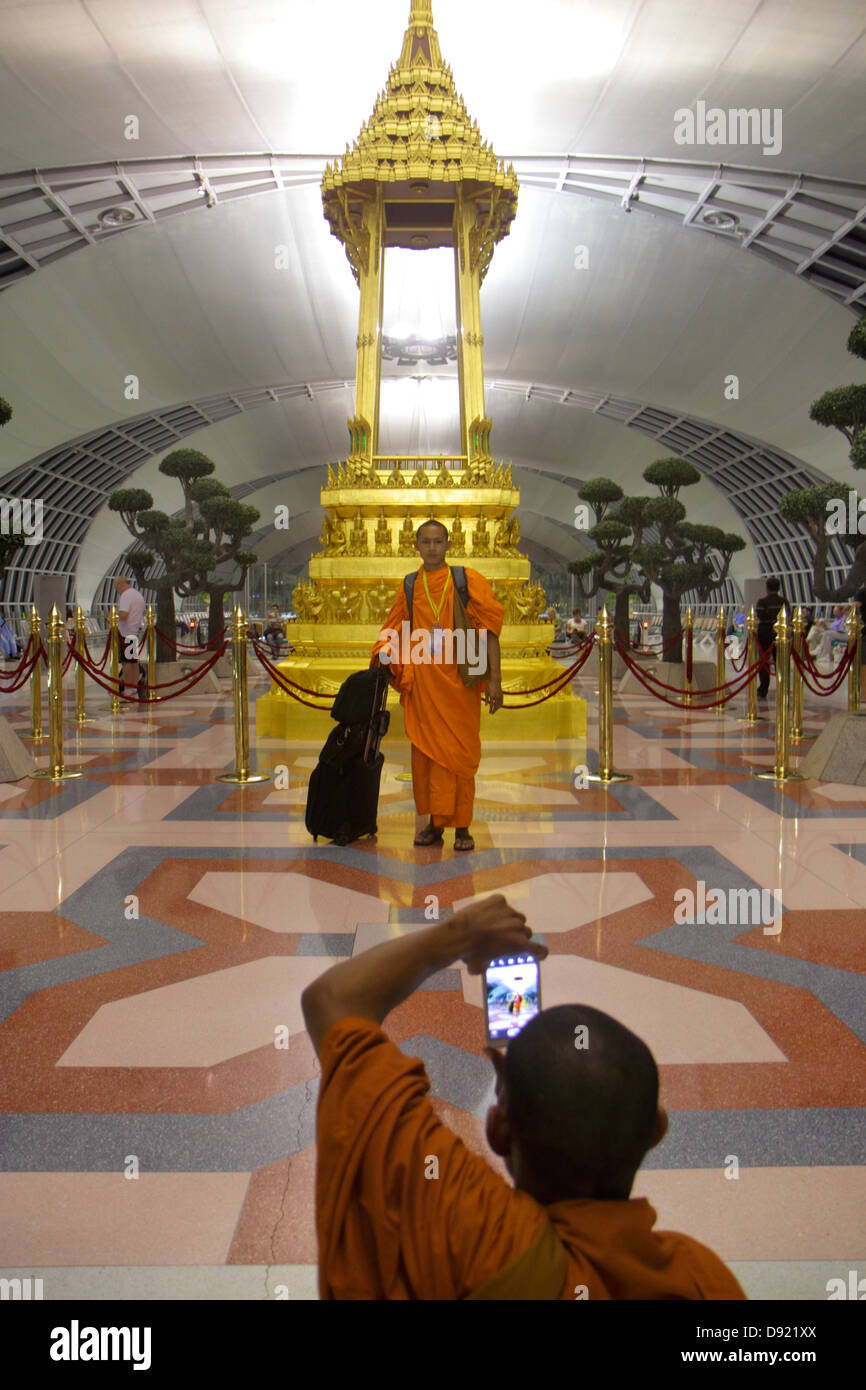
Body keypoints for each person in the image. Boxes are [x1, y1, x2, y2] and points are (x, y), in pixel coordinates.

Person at [301, 892, 747, 1301]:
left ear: (496, 1129)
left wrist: (460, 934)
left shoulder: (472, 1236)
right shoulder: (703, 1280)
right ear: (656, 1129)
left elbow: (333, 1000)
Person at [372, 519, 503, 853]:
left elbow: (489, 630)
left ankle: (462, 827)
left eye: (438, 541)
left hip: (460, 682)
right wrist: (384, 656)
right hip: (425, 683)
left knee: (459, 754)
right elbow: (394, 628)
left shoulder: (466, 580)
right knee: (427, 756)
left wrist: (496, 681)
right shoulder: (410, 585)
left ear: (448, 545)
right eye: (425, 542)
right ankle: (433, 823)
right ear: (416, 545)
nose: (432, 547)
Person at [113, 578, 146, 703]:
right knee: (133, 661)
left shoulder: (126, 596)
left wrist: (112, 619)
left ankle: (127, 687)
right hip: (134, 631)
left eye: (117, 588)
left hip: (125, 632)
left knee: (126, 662)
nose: (118, 591)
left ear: (121, 584)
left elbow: (123, 614)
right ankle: (134, 686)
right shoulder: (138, 595)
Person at [755, 578, 787, 699]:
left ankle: (763, 688)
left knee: (764, 661)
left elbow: (760, 615)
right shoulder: (784, 602)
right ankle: (783, 686)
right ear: (778, 588)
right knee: (781, 661)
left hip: (765, 632)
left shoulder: (762, 602)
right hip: (779, 633)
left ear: (767, 588)